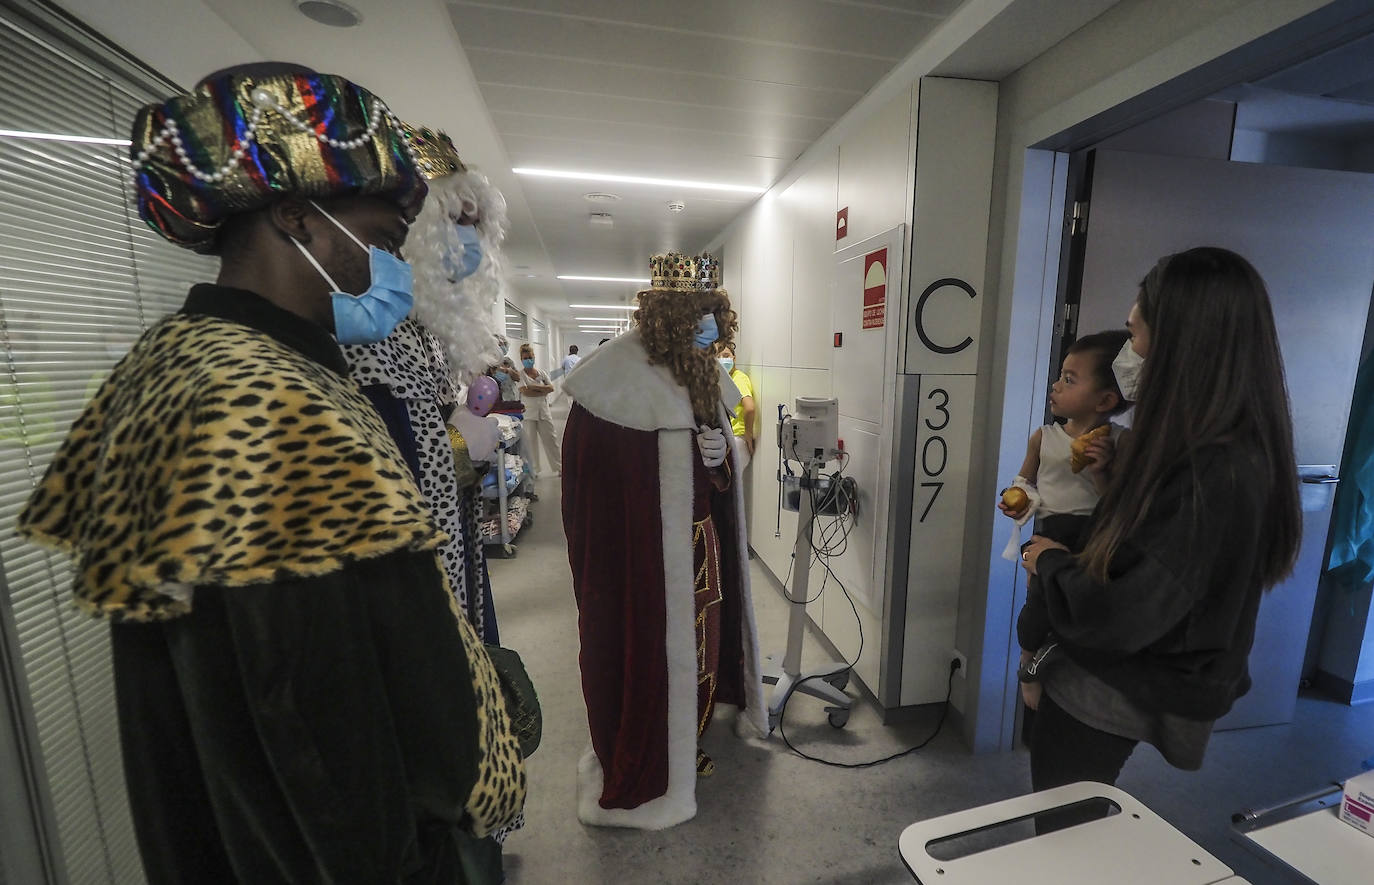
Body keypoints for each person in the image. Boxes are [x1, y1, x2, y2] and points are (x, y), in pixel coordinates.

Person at [17, 64, 525, 882]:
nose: (388, 269)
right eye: (384, 241)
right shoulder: (267, 405)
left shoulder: (189, 366)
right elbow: (321, 725)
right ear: (299, 219)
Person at [1018, 248, 1300, 827]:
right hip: (1124, 651)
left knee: (1062, 820)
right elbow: (1154, 546)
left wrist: (1048, 561)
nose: (1128, 355)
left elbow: (1125, 608)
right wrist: (1111, 480)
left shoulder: (1215, 470)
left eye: (1134, 333)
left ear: (1179, 343)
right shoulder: (1196, 443)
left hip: (1126, 665)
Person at [561, 251, 766, 830]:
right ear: (668, 316)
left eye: (713, 314)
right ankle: (658, 752)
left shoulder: (700, 371)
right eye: (697, 314)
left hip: (703, 549)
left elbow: (721, 467)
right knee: (654, 649)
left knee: (702, 646)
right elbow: (600, 492)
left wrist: (723, 457)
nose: (709, 326)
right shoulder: (610, 384)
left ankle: (692, 732)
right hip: (645, 559)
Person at [341, 123, 503, 642]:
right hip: (406, 590)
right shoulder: (366, 332)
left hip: (449, 555)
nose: (468, 242)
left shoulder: (424, 331)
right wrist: (459, 445)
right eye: (455, 222)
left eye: (475, 228)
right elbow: (379, 476)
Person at [998, 330, 1130, 719]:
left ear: (1105, 400)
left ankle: (1073, 668)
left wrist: (1102, 471)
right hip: (1050, 530)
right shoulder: (1045, 436)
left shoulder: (1121, 441)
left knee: (1082, 606)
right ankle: (1028, 663)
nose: (1055, 386)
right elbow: (1025, 482)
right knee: (1039, 602)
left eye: (1069, 379)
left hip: (1096, 533)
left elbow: (1121, 506)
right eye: (1060, 376)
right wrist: (1015, 500)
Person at [518, 342, 560, 476]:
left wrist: (534, 387)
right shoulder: (520, 375)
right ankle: (534, 469)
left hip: (543, 411)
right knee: (530, 443)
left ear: (534, 357)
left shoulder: (541, 372)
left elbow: (551, 388)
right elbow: (525, 392)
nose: (528, 360)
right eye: (525, 358)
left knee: (551, 439)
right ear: (521, 360)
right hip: (529, 413)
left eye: (530, 357)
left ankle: (559, 467)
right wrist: (543, 389)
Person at [716, 343, 756, 471]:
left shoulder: (739, 378)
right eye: (718, 356)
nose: (722, 359)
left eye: (726, 355)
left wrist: (748, 436)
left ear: (734, 358)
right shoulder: (726, 379)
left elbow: (749, 408)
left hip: (738, 440)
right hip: (731, 440)